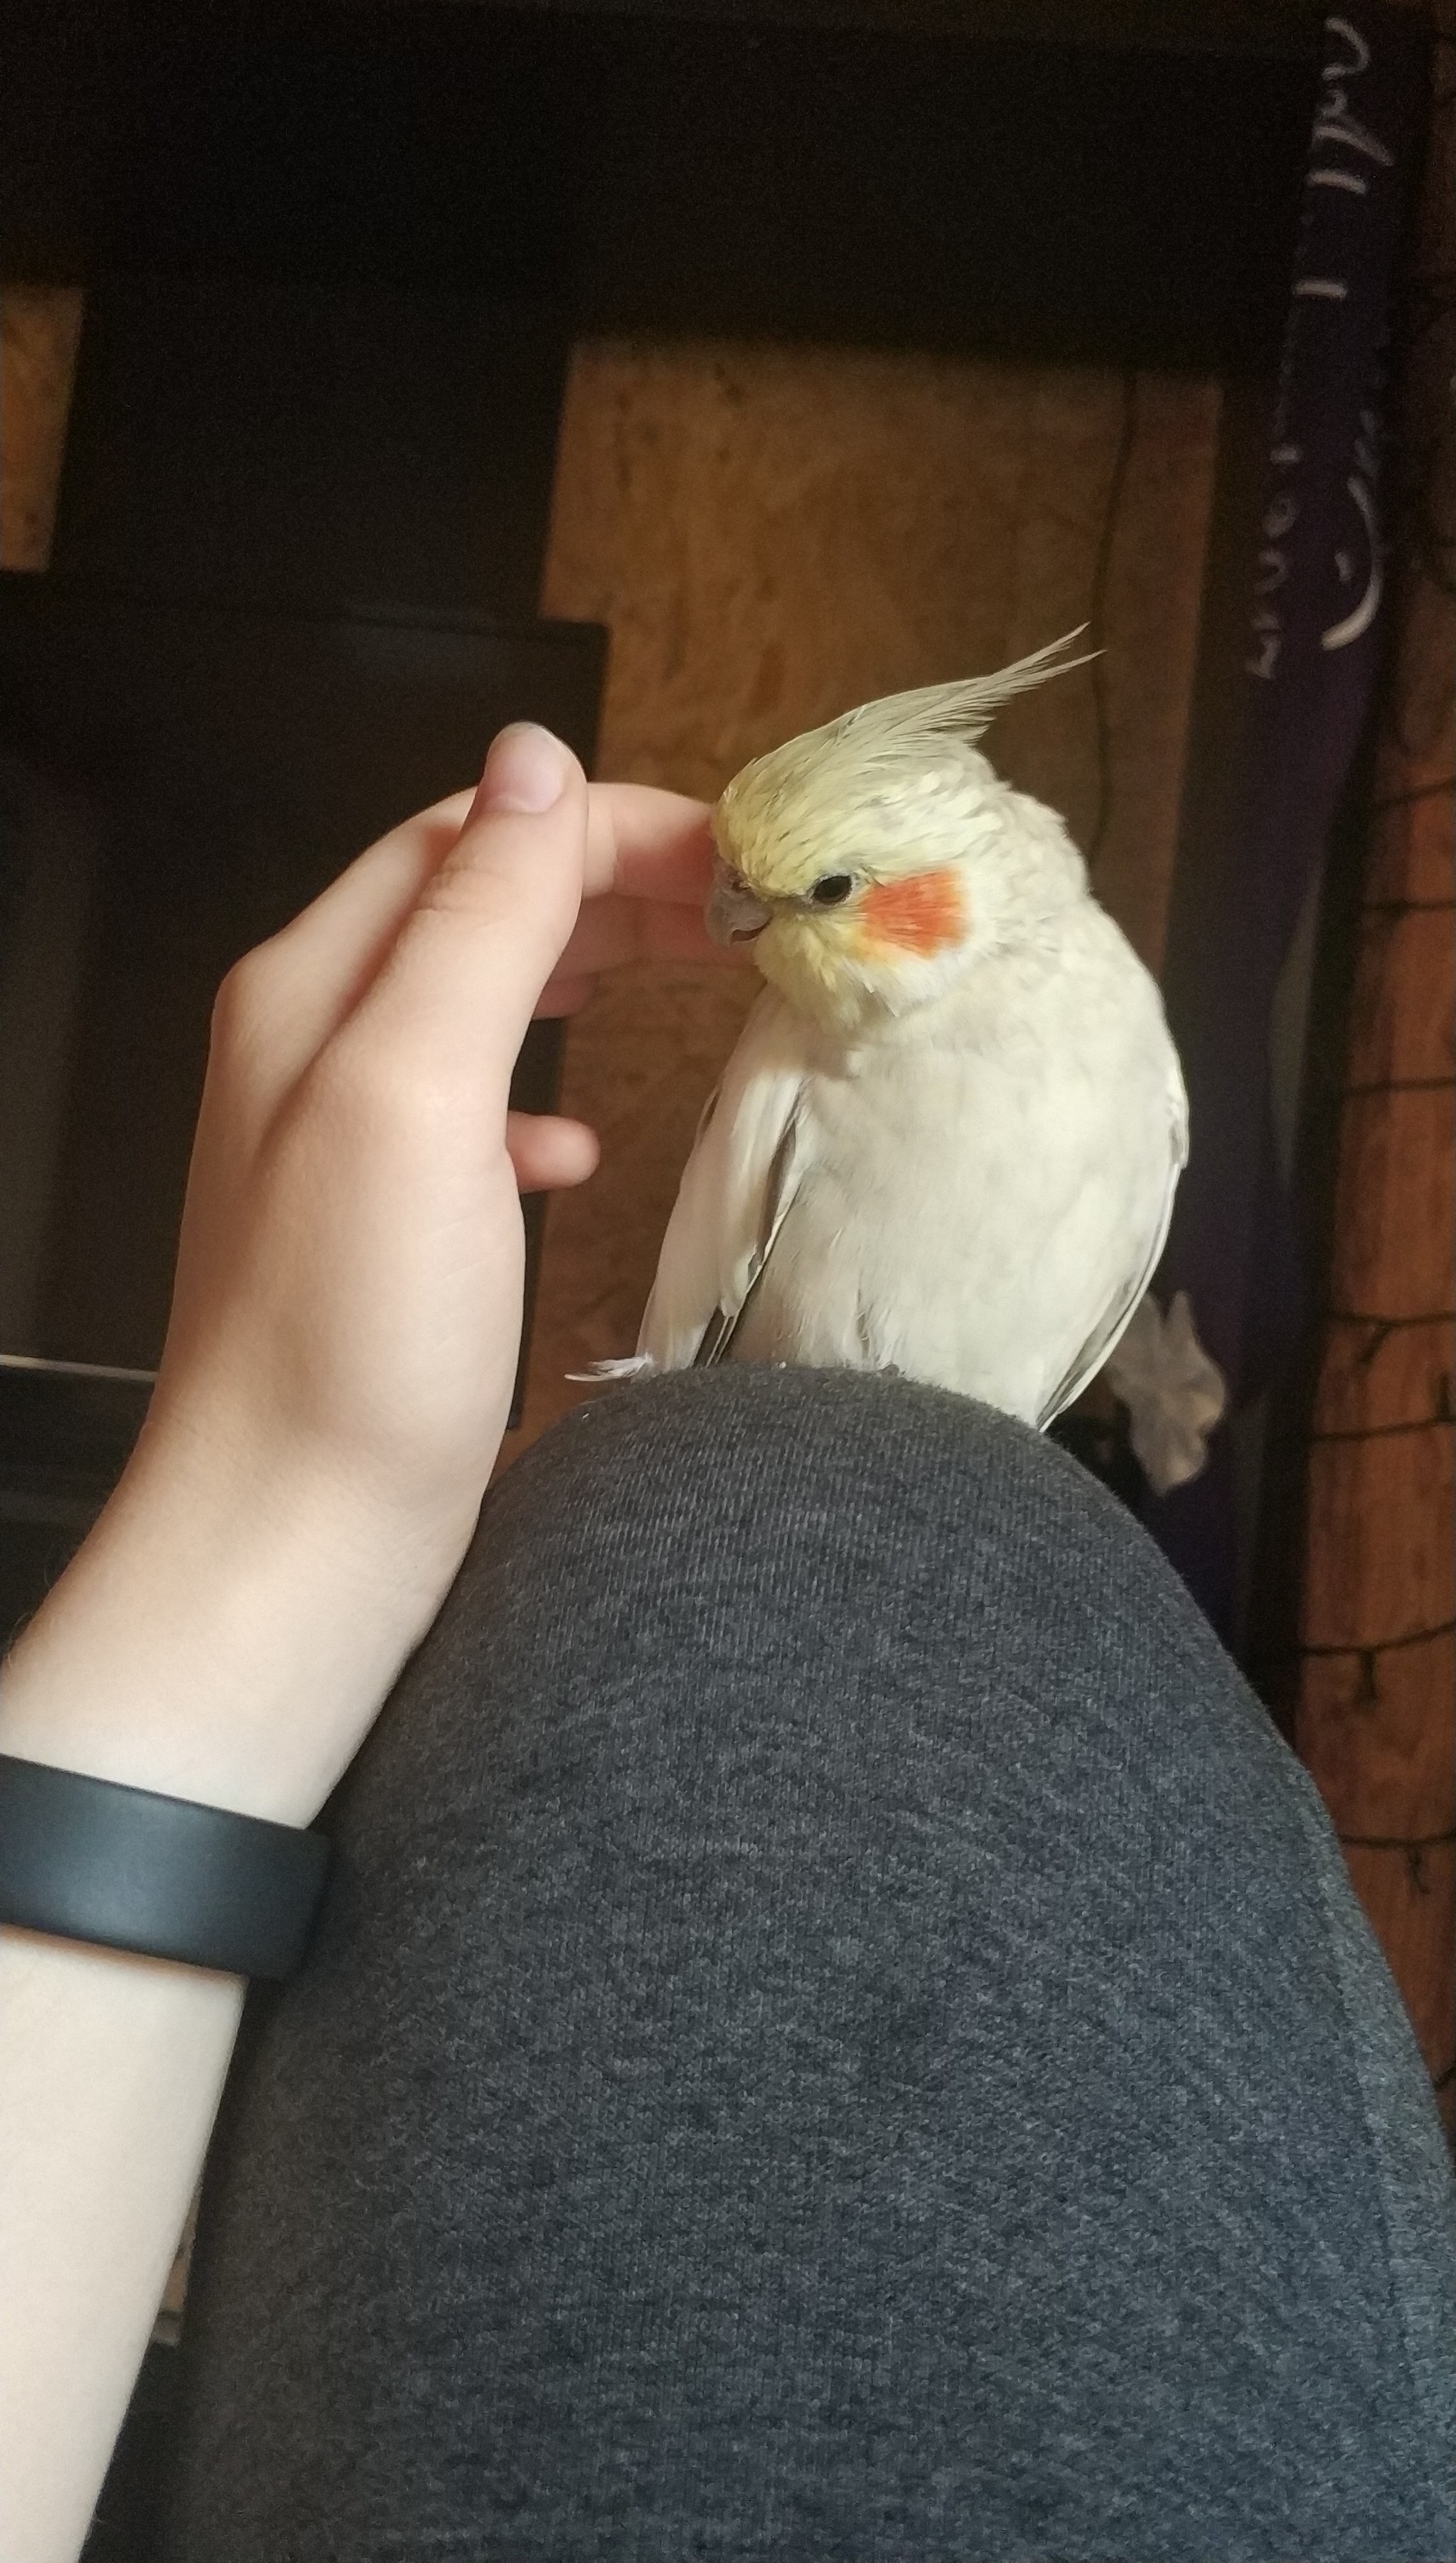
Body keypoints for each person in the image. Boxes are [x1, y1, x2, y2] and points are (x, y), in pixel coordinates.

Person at [1, 725, 1452, 2563]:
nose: (759, 923)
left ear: (957, 895)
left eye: (820, 897)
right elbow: (707, 1366)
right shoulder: (797, 1071)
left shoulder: (1128, 1061)